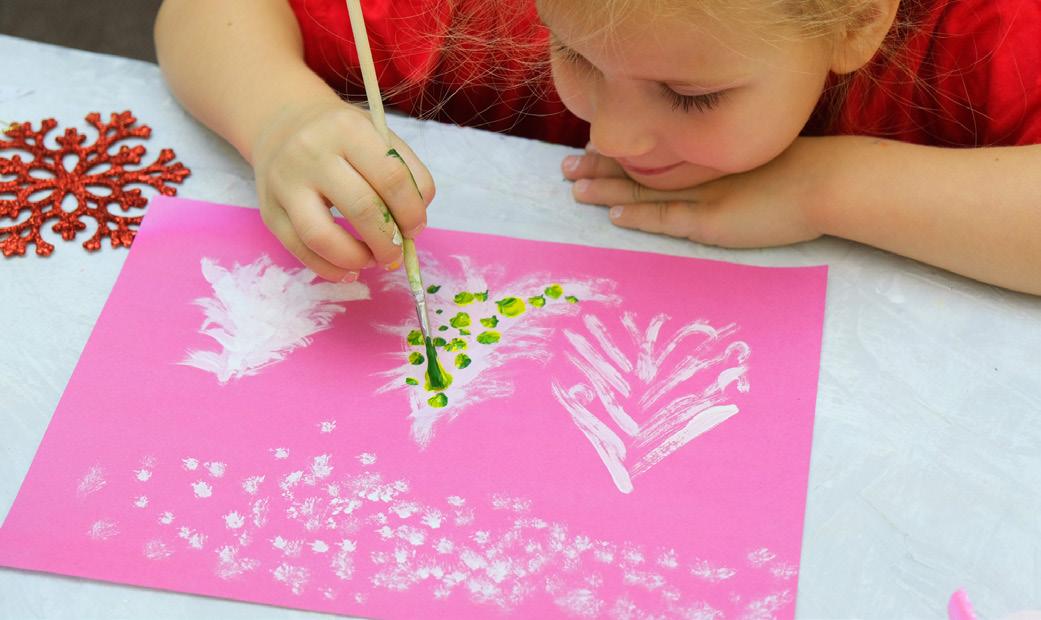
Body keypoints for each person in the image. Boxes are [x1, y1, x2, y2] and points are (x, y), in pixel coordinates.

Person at [154, 0, 1041, 294]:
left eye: (690, 95)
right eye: (572, 54)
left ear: (856, 22)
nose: (611, 136)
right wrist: (280, 117)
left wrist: (828, 185)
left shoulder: (988, 35)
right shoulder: (487, 16)